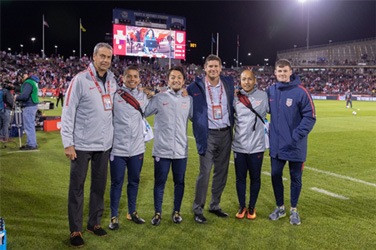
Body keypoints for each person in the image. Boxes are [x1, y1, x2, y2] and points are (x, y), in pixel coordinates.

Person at [61, 42, 117, 247]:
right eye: (101, 56)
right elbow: (68, 111)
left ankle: (94, 222)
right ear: (93, 58)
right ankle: (75, 230)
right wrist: (68, 143)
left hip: (104, 144)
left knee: (99, 186)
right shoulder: (80, 80)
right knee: (77, 187)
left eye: (108, 57)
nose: (105, 60)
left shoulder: (112, 81)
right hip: (82, 144)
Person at [267, 59, 316, 226]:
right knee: (275, 175)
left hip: (296, 145)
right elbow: (259, 104)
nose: (282, 74)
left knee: (295, 178)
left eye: (284, 71)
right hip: (277, 146)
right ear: (275, 73)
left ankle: (294, 210)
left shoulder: (301, 92)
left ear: (290, 71)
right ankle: (280, 207)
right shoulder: (271, 90)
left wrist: (296, 136)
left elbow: (310, 116)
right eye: (279, 71)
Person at [187, 54, 235, 224]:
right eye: (210, 66)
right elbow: (186, 105)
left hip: (225, 133)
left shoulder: (228, 83)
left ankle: (215, 205)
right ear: (205, 68)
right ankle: (198, 209)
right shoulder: (194, 86)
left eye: (216, 66)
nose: (213, 69)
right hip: (207, 134)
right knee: (205, 172)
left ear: (220, 68)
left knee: (221, 171)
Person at [145, 66, 193, 226]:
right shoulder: (159, 98)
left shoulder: (188, 99)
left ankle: (176, 211)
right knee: (160, 182)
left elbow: (197, 117)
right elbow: (143, 112)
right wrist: (147, 95)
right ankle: (157, 213)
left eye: (179, 77)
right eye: (173, 77)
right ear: (168, 80)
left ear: (184, 81)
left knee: (179, 182)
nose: (176, 80)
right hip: (162, 150)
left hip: (181, 150)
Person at [108, 65, 150, 230]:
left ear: (139, 79)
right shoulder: (114, 95)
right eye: (129, 76)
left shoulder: (144, 97)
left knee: (134, 181)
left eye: (135, 76)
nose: (132, 79)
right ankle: (114, 216)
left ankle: (132, 212)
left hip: (137, 148)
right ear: (123, 78)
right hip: (118, 148)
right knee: (116, 183)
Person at [232, 69, 268, 220]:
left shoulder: (263, 96)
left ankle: (252, 207)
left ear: (255, 81)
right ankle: (242, 206)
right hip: (239, 146)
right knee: (240, 178)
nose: (246, 82)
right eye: (243, 79)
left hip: (256, 146)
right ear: (240, 81)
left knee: (255, 178)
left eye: (249, 79)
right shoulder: (234, 97)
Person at [15, 71, 39, 150]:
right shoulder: (32, 81)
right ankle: (32, 142)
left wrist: (17, 97)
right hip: (32, 105)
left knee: (28, 125)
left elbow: (24, 96)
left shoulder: (28, 83)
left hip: (29, 106)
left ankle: (31, 144)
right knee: (30, 125)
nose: (20, 79)